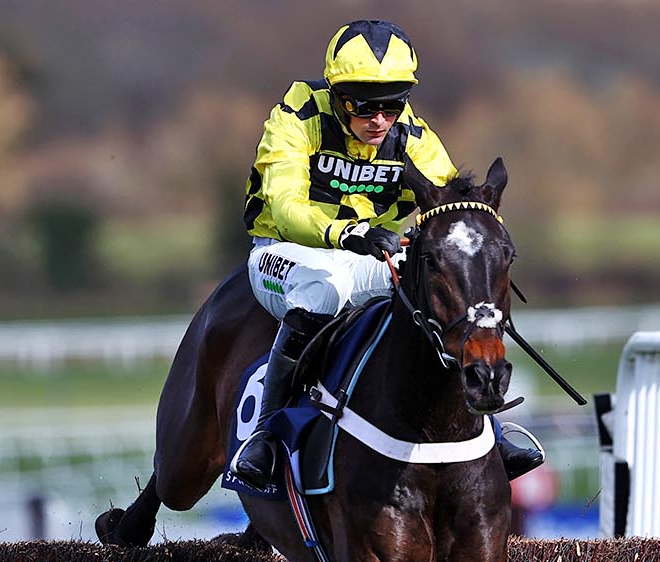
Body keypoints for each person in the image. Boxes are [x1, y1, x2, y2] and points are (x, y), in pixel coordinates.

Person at [229, 19, 544, 490]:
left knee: (444, 292)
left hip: (371, 254)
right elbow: (284, 205)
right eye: (363, 105)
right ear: (337, 94)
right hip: (286, 254)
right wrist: (348, 233)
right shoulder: (296, 116)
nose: (379, 119)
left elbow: (447, 202)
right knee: (324, 291)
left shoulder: (411, 134)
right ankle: (266, 436)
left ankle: (491, 428)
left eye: (392, 105)